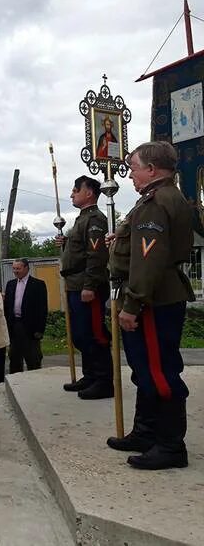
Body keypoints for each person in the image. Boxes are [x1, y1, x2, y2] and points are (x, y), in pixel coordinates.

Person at [105, 141, 195, 470]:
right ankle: (147, 432)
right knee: (146, 370)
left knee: (159, 372)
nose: (130, 174)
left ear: (152, 170)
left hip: (154, 299)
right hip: (157, 295)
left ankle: (171, 445)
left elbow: (148, 261)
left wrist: (133, 304)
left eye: (134, 168)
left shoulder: (156, 204)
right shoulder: (163, 198)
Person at [55, 175, 113, 399]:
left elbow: (96, 255)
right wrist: (66, 243)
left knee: (93, 334)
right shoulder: (81, 219)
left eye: (75, 190)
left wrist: (90, 285)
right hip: (75, 285)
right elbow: (80, 250)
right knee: (80, 334)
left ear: (88, 192)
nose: (71, 194)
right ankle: (90, 375)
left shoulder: (96, 219)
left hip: (87, 286)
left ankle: (104, 380)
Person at [4, 258, 48, 373]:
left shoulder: (38, 285)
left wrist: (39, 330)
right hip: (14, 326)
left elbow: (42, 309)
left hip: (31, 328)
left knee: (33, 358)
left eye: (18, 268)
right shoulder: (10, 285)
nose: (15, 271)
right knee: (14, 358)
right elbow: (7, 307)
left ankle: (34, 384)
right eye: (14, 269)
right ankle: (15, 384)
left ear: (26, 268)